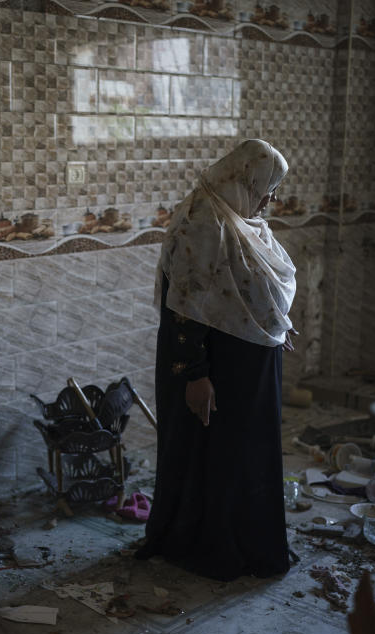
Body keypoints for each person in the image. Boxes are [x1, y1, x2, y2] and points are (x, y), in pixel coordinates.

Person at [135, 139, 298, 581]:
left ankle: (247, 540)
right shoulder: (202, 224)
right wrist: (194, 375)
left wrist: (273, 327)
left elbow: (246, 294)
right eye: (267, 186)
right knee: (217, 455)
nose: (271, 198)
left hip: (249, 362)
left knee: (248, 453)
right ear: (242, 179)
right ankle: (212, 544)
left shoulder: (240, 221)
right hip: (215, 368)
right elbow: (184, 307)